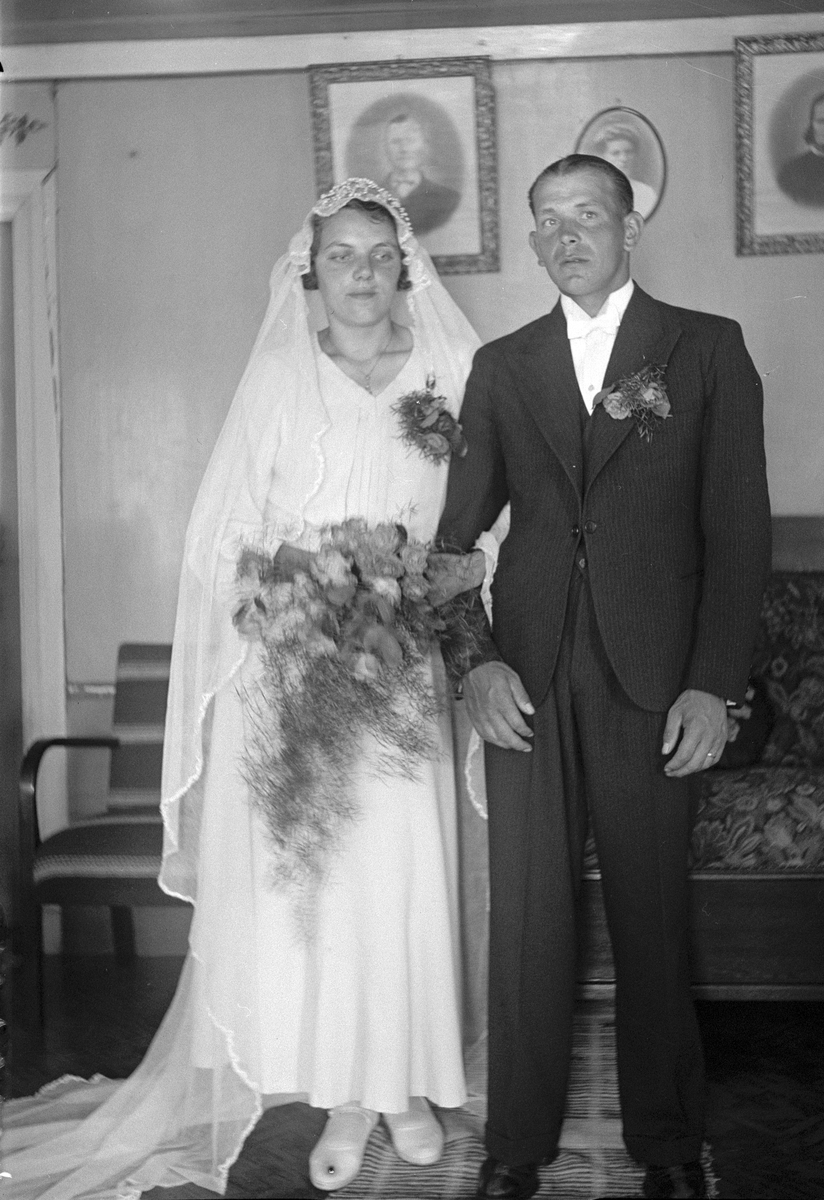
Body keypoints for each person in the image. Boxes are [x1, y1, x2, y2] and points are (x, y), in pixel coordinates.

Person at [1, 179, 487, 1198]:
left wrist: (427, 577)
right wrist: (311, 578)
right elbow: (220, 533)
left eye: (378, 253)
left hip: (401, 669)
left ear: (405, 265)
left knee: (400, 880)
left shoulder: (453, 369)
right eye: (340, 255)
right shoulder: (277, 376)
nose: (361, 273)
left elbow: (491, 514)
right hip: (296, 670)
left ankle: (406, 1087)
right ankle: (346, 1095)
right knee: (321, 889)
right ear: (311, 272)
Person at [435, 154, 771, 1200]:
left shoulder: (705, 349)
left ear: (631, 228)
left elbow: (738, 533)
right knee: (527, 922)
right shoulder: (501, 366)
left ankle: (666, 1145)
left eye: (585, 213)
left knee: (650, 915)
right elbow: (451, 546)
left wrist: (712, 684)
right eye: (545, 219)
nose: (564, 234)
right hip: (526, 680)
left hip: (655, 680)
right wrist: (475, 663)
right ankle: (514, 1146)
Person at [380, 112, 461, 235]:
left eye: (410, 141)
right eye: (396, 142)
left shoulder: (448, 199)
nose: (404, 149)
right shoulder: (369, 197)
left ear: (424, 146)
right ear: (385, 148)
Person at [590, 126, 659, 219]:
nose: (623, 158)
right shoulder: (592, 192)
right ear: (603, 157)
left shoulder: (646, 193)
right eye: (615, 153)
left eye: (628, 152)